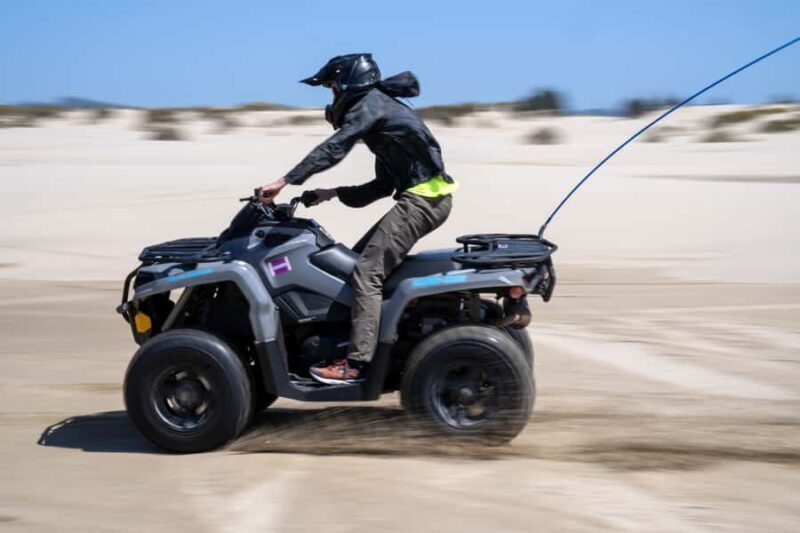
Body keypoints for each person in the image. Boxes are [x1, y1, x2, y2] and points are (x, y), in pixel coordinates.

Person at [259, 53, 457, 384]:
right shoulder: (384, 115)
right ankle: (379, 341)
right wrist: (332, 193)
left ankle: (356, 363)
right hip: (425, 199)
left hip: (424, 201)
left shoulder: (371, 104)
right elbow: (382, 187)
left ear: (348, 86)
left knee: (367, 272)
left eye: (332, 89)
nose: (332, 98)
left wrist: (285, 181)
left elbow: (335, 146)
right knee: (356, 264)